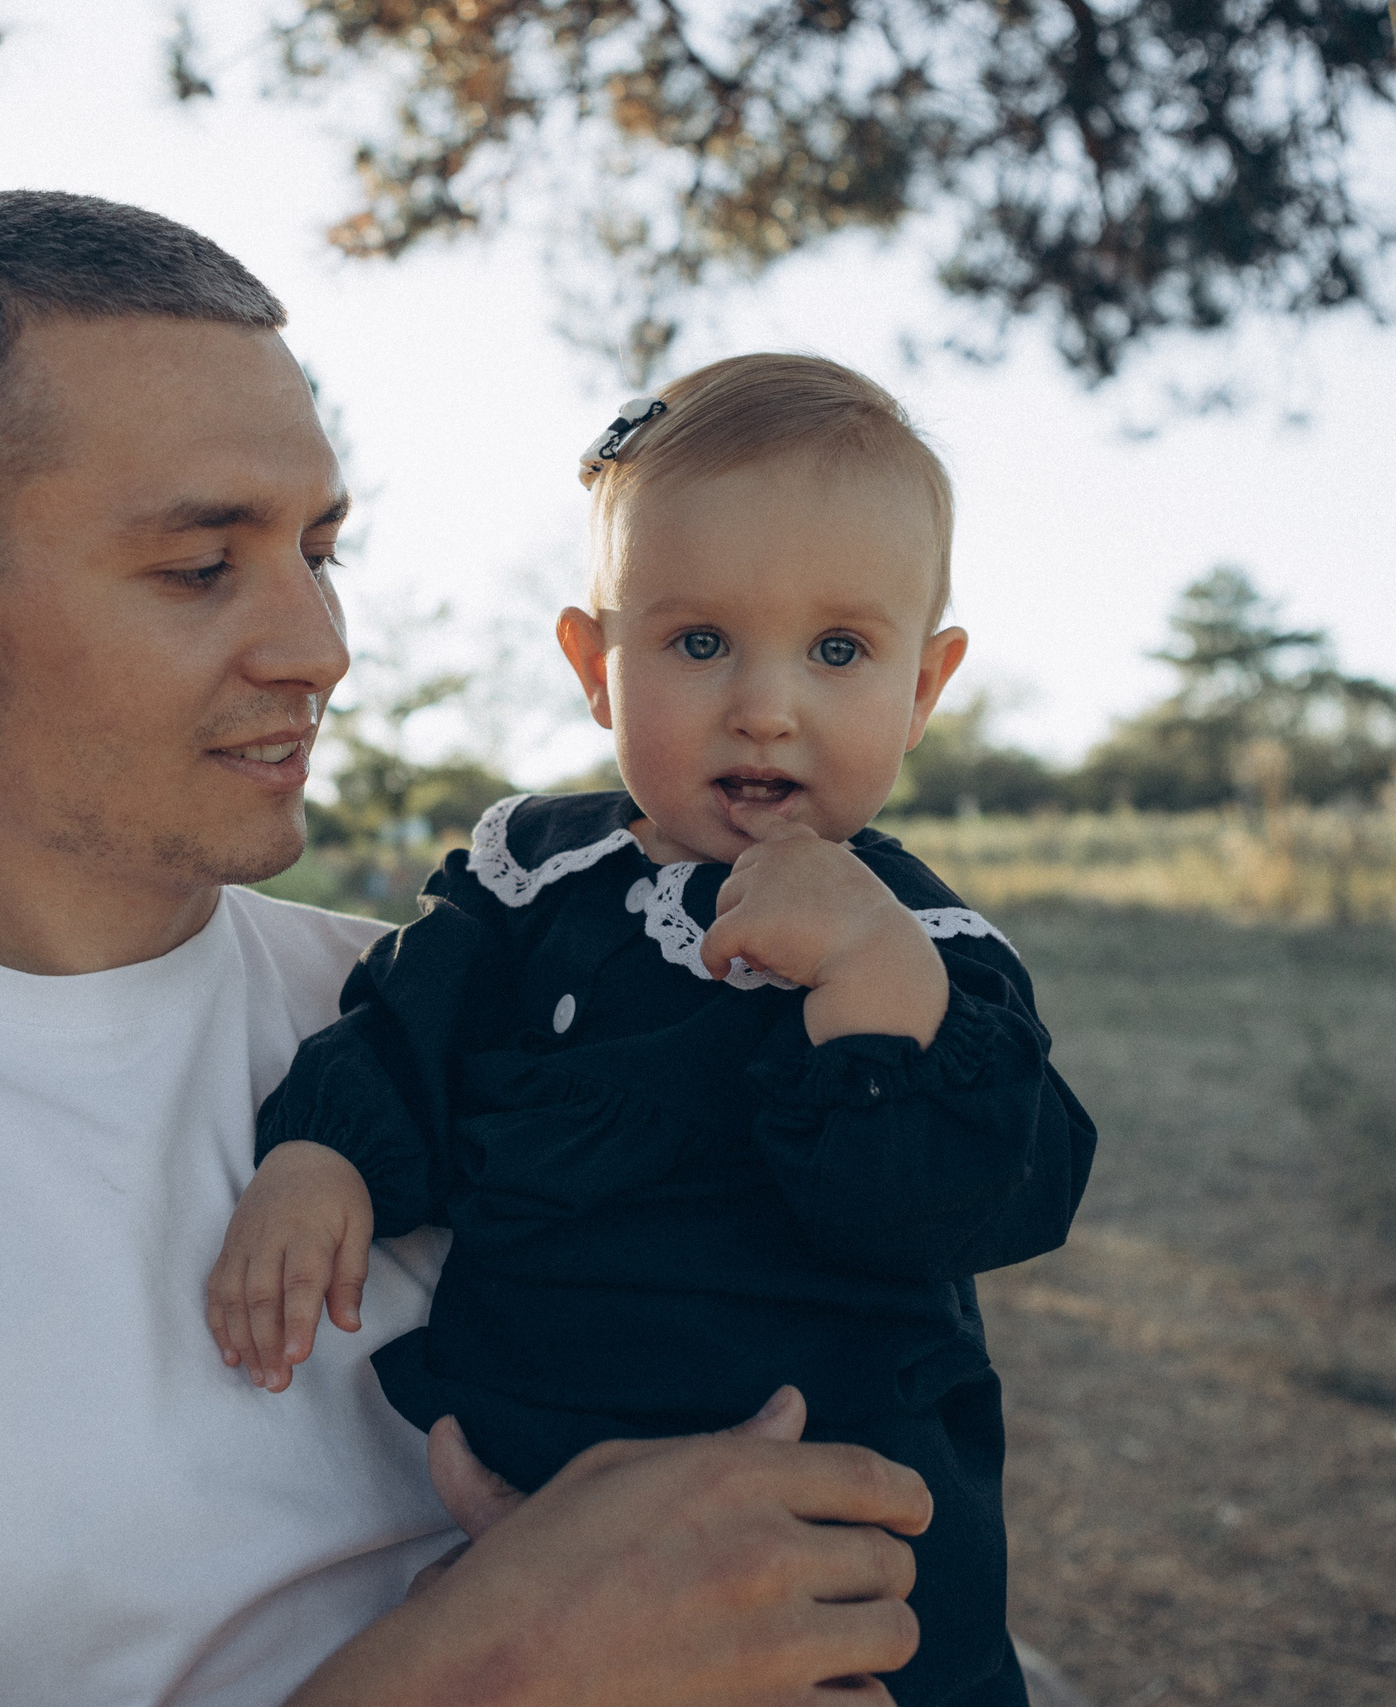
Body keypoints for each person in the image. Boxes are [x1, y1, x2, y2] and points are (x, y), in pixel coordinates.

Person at [0, 192, 937, 1707]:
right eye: (203, 567)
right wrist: (488, 1672)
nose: (318, 646)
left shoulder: (479, 1007)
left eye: (319, 550)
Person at [205, 355, 1097, 1706]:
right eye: (697, 643)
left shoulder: (926, 948)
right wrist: (323, 1156)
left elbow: (972, 1195)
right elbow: (405, 1032)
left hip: (842, 1535)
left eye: (840, 651)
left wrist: (866, 980)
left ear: (923, 686)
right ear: (594, 666)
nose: (767, 703)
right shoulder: (529, 883)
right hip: (544, 1528)